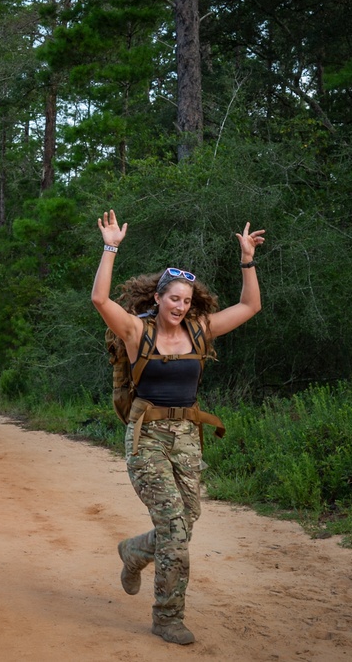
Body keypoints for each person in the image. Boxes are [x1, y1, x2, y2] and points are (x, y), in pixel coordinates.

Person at [91, 209, 264, 646]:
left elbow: (250, 306)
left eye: (187, 301)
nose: (180, 306)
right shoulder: (136, 332)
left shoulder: (201, 331)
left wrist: (247, 260)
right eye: (174, 299)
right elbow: (100, 300)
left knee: (186, 521)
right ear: (158, 298)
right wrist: (110, 248)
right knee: (173, 529)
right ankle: (167, 616)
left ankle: (133, 552)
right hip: (146, 435)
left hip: (187, 437)